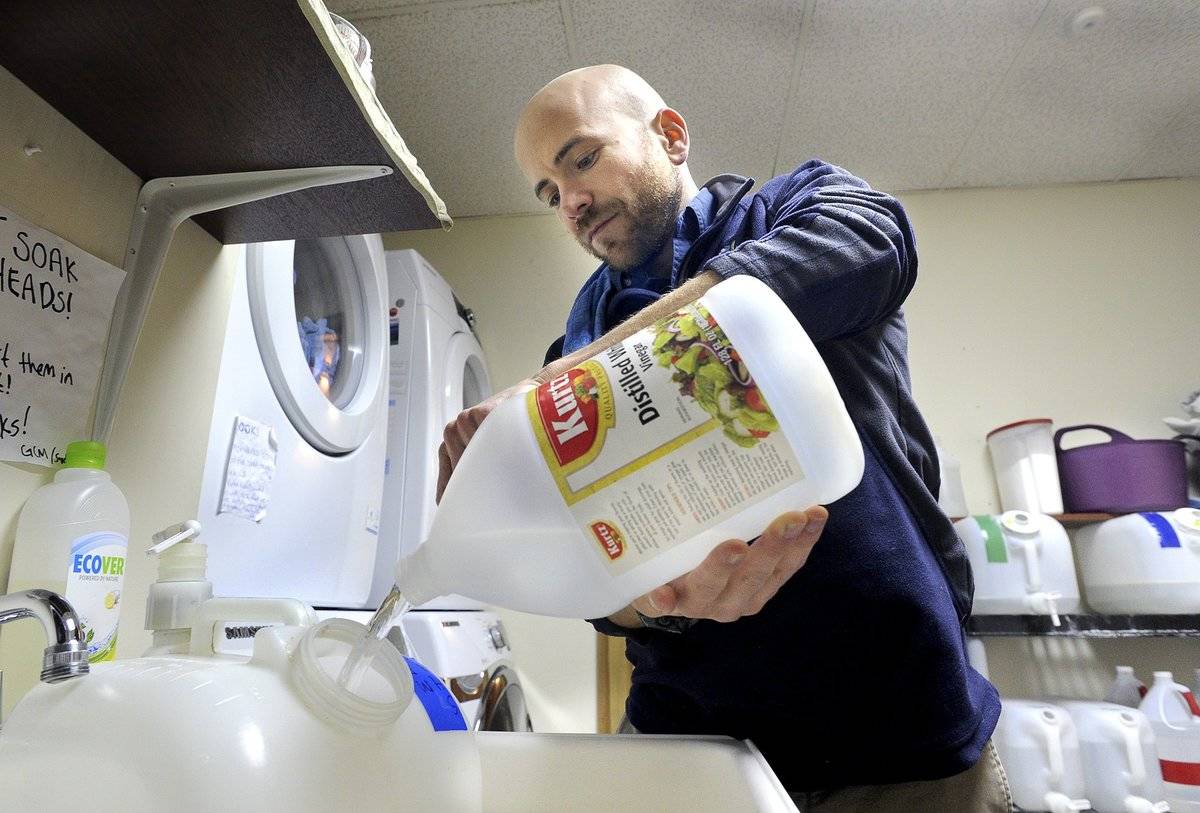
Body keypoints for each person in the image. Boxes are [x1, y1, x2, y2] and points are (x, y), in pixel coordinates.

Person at [437, 65, 1007, 811]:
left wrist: (570, 377)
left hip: (897, 737)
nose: (570, 202)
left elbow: (872, 241)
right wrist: (660, 603)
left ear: (670, 136)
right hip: (689, 735)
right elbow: (595, 581)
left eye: (581, 159)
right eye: (549, 193)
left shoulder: (790, 207)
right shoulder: (571, 348)